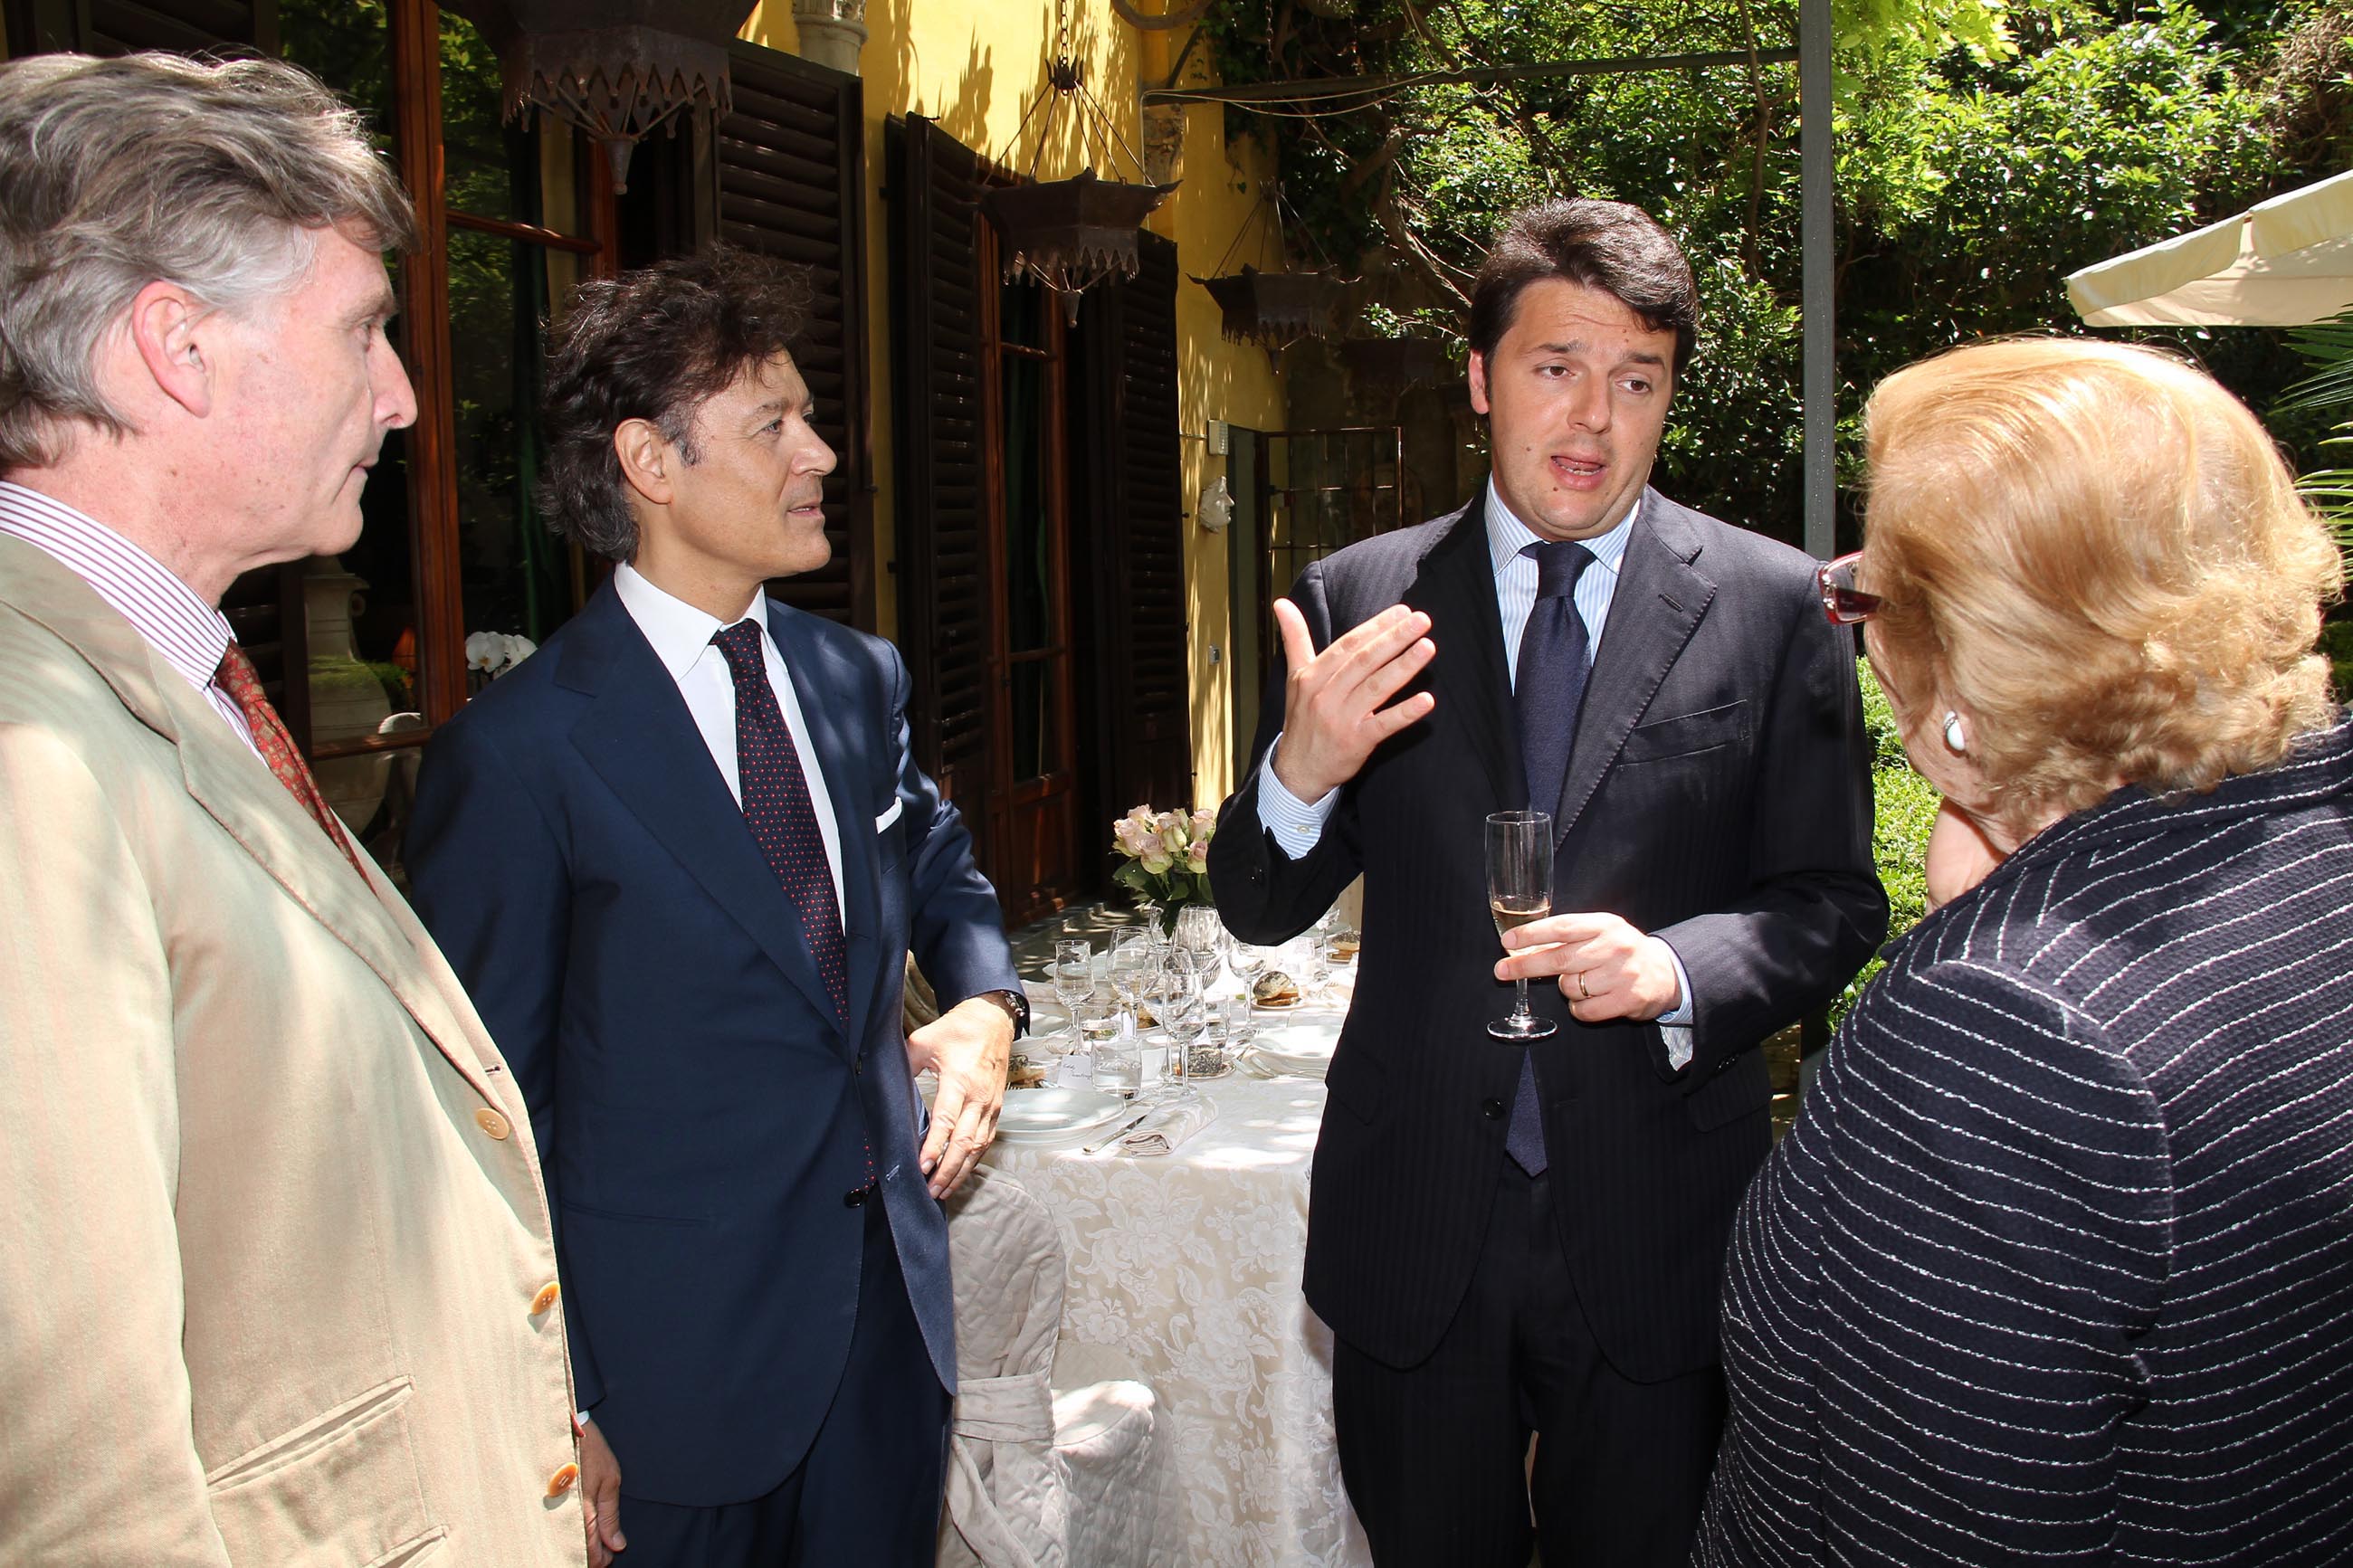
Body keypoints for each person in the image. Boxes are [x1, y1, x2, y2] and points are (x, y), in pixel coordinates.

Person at [1207, 197, 1886, 1565]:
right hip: (1416, 1225)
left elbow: (1832, 898)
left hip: (1656, 1225)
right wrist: (1302, 766)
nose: (1592, 418)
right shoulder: (1360, 596)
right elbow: (1255, 903)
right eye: (1554, 368)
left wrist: (1682, 967)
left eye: (1637, 380)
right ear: (1480, 379)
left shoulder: (1769, 607)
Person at [0, 52, 586, 1564]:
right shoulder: (29, 752)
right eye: (366, 330)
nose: (400, 396)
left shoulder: (167, 676)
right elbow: (79, 1483)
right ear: (176, 348)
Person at [405, 249, 1026, 1568]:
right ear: (651, 462)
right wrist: (561, 1400)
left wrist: (982, 1007)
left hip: (885, 1345)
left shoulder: (859, 675)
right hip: (665, 1396)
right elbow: (487, 1126)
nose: (821, 454)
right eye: (773, 425)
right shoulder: (518, 758)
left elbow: (945, 873)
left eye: (807, 416)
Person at [1696, 337, 2353, 1564]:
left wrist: (1999, 936)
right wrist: (2008, 857)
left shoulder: (2002, 1039)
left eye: (1871, 593)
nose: (1855, 618)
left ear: (1961, 663)